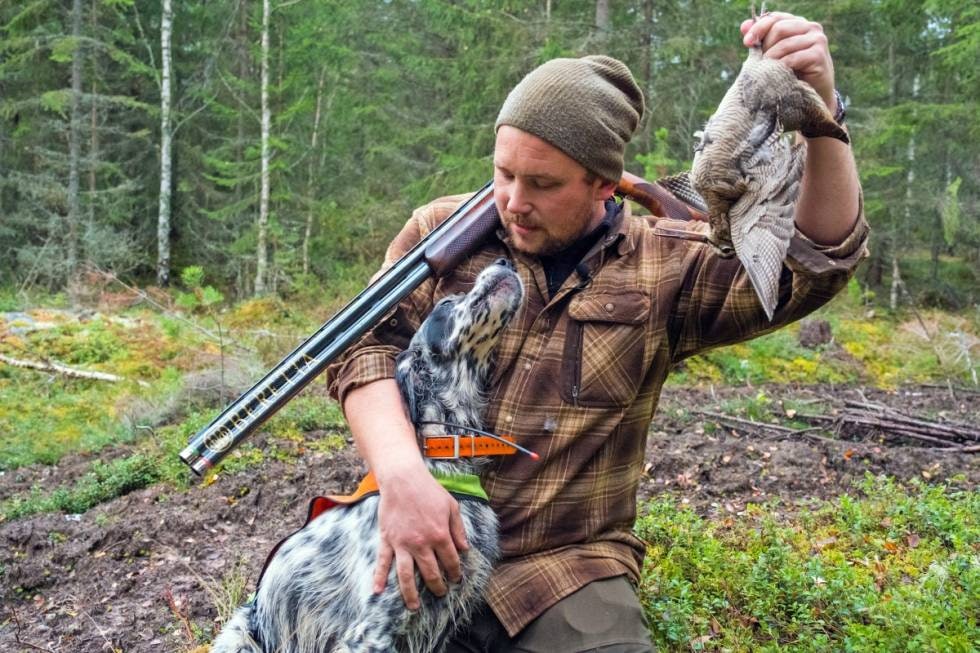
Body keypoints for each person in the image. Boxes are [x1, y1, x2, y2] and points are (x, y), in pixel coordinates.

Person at [326, 11, 867, 653]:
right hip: (424, 537)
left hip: (564, 569)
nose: (513, 200)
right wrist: (401, 476)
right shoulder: (438, 237)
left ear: (606, 184)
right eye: (504, 173)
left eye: (544, 183)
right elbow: (361, 348)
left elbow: (815, 266)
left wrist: (822, 114)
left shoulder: (667, 264)